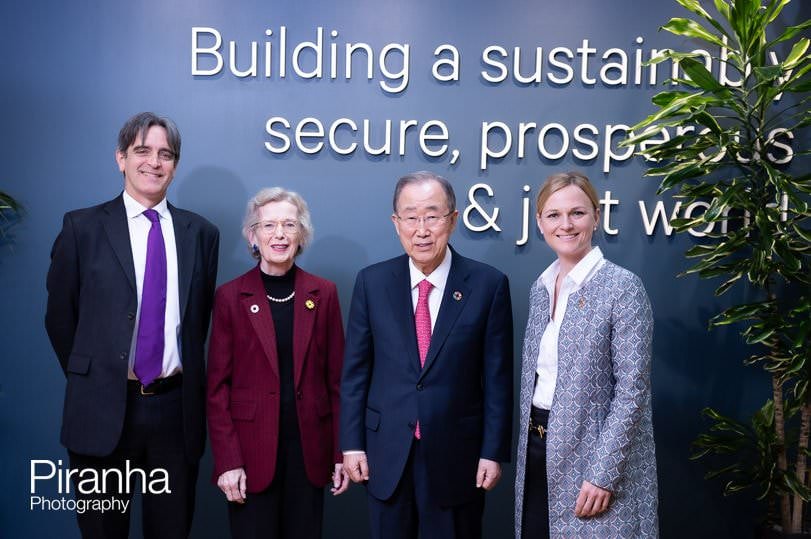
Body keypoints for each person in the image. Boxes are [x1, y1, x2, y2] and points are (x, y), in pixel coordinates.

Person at [45, 112, 220, 538]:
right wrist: (96, 376)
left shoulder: (201, 234)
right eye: (142, 151)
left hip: (175, 413)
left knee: (171, 531)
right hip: (103, 409)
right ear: (120, 158)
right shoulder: (82, 227)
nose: (154, 163)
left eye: (165, 154)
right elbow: (59, 319)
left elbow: (197, 322)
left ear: (175, 164)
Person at [340, 171, 513, 539]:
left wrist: (492, 451)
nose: (422, 229)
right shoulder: (372, 282)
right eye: (411, 216)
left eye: (432, 216)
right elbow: (355, 373)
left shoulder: (488, 284)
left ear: (453, 219)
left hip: (458, 457)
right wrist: (352, 444)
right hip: (386, 453)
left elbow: (497, 379)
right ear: (395, 223)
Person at [513, 171, 658, 538]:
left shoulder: (622, 288)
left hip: (594, 462)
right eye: (553, 215)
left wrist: (603, 472)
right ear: (539, 222)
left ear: (596, 215)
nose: (565, 224)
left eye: (577, 213)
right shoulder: (540, 288)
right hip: (536, 453)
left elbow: (632, 391)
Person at [206, 187, 348, 538]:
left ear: (302, 234)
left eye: (289, 224)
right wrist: (227, 462)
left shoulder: (324, 293)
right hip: (250, 456)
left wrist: (341, 452)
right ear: (253, 235)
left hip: (309, 454)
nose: (279, 234)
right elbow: (216, 390)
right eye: (269, 225)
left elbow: (338, 382)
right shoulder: (229, 297)